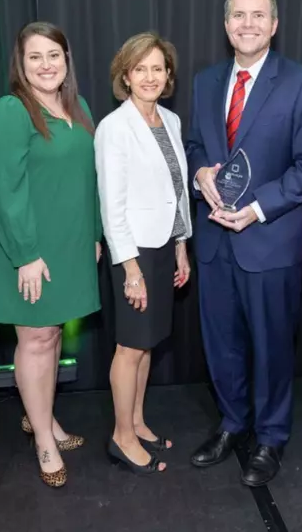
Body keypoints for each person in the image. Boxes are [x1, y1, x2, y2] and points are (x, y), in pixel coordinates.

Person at [186, 0, 302, 487]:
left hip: (268, 240)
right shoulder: (205, 82)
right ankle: (232, 423)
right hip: (213, 241)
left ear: (274, 25)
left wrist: (257, 210)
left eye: (257, 15)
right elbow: (193, 144)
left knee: (271, 346)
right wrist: (201, 171)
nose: (247, 24)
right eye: (238, 15)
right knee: (220, 343)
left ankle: (270, 437)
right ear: (226, 26)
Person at [0, 21, 101, 489]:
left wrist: (93, 234)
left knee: (51, 336)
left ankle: (44, 419)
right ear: (21, 63)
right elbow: (6, 191)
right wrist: (26, 254)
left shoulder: (79, 106)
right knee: (34, 339)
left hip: (70, 244)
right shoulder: (11, 112)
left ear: (67, 59)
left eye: (54, 54)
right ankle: (43, 442)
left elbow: (89, 178)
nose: (46, 64)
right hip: (29, 249)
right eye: (35, 56)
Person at [94, 32, 193, 475]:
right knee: (130, 346)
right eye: (141, 69)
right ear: (126, 76)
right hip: (132, 253)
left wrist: (181, 247)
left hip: (163, 246)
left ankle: (136, 420)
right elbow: (111, 205)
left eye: (158, 68)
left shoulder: (169, 121)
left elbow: (176, 193)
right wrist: (130, 268)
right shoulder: (114, 128)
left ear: (168, 75)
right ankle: (121, 436)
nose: (150, 76)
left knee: (148, 343)